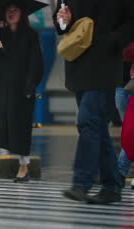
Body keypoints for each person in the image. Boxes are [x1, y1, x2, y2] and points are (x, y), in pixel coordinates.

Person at [55, 0, 134, 204]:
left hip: (105, 66)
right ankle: (112, 186)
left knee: (87, 122)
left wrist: (109, 41)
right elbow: (61, 24)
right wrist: (63, 21)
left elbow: (130, 23)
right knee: (97, 128)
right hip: (78, 65)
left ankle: (81, 183)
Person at [0, 0, 43, 183]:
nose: (11, 14)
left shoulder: (31, 36)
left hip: (19, 90)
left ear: (22, 14)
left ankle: (23, 168)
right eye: (8, 11)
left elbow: (36, 64)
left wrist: (30, 87)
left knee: (19, 128)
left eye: (15, 11)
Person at [116, 42, 134, 188]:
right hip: (122, 86)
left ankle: (120, 171)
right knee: (128, 133)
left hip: (128, 85)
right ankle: (120, 172)